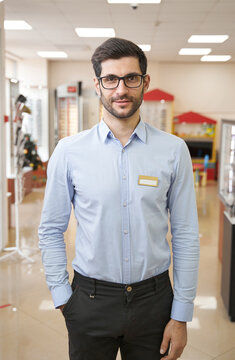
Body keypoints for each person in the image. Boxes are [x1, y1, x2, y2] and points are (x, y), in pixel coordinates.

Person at [38, 37, 200, 360]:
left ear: (145, 82)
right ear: (98, 85)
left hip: (154, 303)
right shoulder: (69, 152)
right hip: (89, 301)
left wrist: (180, 314)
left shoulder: (173, 151)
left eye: (131, 78)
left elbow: (185, 235)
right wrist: (62, 297)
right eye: (110, 79)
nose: (121, 89)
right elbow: (50, 229)